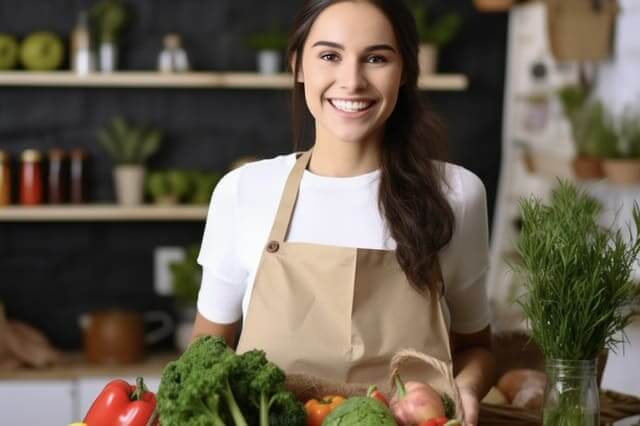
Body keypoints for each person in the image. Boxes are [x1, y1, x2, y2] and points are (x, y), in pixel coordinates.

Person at [192, 1, 496, 424]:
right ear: (299, 65)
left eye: (376, 58)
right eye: (330, 56)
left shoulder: (457, 193)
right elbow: (204, 357)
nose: (351, 81)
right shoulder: (244, 192)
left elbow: (476, 346)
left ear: (405, 70)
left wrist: (465, 389)